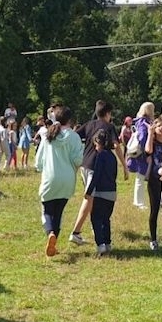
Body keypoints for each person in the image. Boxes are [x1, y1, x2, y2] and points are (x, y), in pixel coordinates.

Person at [70, 101, 122, 245]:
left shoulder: (88, 124)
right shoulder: (109, 127)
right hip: (95, 165)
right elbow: (117, 146)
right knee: (90, 198)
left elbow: (74, 136)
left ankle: (94, 228)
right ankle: (76, 232)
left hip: (84, 165)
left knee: (93, 198)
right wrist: (124, 165)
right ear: (108, 113)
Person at [35, 106, 82, 258]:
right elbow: (78, 160)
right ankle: (53, 244)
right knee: (59, 212)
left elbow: (39, 163)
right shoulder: (74, 136)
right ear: (70, 120)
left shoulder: (48, 135)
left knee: (47, 210)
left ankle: (51, 234)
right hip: (67, 179)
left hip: (50, 177)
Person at [84, 130, 118, 256]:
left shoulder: (100, 156)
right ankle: (108, 243)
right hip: (112, 192)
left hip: (100, 192)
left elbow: (96, 174)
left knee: (96, 218)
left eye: (95, 145)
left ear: (99, 142)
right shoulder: (112, 156)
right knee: (106, 219)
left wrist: (88, 191)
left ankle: (100, 244)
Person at [144, 117, 162, 251]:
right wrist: (150, 134)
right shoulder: (153, 143)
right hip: (154, 179)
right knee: (154, 209)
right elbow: (148, 151)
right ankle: (153, 239)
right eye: (158, 126)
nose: (161, 128)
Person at [127, 102, 155, 210]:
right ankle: (139, 202)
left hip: (139, 154)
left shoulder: (138, 122)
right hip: (142, 155)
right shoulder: (144, 123)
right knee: (140, 178)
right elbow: (143, 138)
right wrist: (147, 153)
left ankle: (139, 201)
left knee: (140, 178)